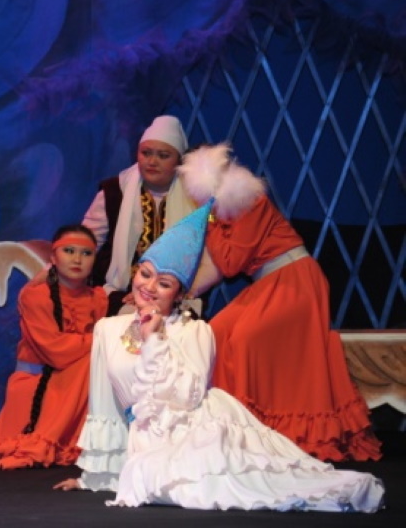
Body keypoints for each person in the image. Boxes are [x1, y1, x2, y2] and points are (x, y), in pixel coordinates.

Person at [53, 201, 385, 512]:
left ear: (179, 294)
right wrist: (95, 478)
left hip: (197, 430)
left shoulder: (196, 331)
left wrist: (155, 339)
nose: (149, 287)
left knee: (212, 488)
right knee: (152, 479)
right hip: (149, 440)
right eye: (145, 274)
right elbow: (106, 409)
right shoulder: (108, 329)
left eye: (164, 283)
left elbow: (187, 397)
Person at [177, 142, 381, 462]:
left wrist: (209, 222)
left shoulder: (248, 201)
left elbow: (229, 263)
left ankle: (264, 426)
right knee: (217, 331)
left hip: (295, 281)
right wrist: (180, 292)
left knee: (244, 340)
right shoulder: (226, 212)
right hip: (269, 284)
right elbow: (217, 265)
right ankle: (229, 423)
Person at [0, 225, 108, 469]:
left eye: (86, 253)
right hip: (38, 385)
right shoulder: (36, 295)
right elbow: (56, 351)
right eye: (69, 251)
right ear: (53, 256)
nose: (77, 259)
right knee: (92, 358)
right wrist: (102, 338)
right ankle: (43, 438)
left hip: (82, 387)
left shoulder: (98, 298)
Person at [82, 115, 197, 316]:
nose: (152, 162)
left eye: (163, 156)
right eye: (146, 153)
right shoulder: (114, 192)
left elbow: (208, 251)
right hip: (118, 293)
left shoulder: (196, 199)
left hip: (176, 297)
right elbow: (86, 241)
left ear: (179, 161)